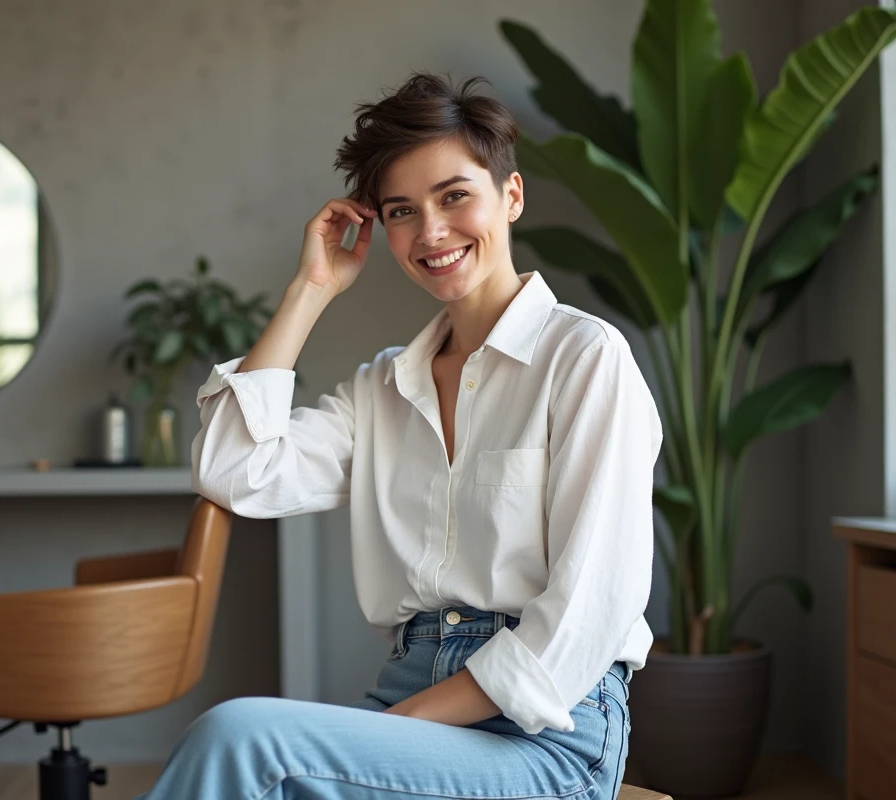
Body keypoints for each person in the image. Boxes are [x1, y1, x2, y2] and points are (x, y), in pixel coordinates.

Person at [137, 72, 663, 800]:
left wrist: (411, 723)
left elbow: (587, 616)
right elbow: (234, 471)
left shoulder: (584, 359)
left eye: (455, 197)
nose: (432, 233)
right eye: (402, 212)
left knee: (240, 741)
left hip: (546, 731)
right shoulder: (383, 388)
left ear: (510, 196)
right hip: (409, 698)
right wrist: (310, 290)